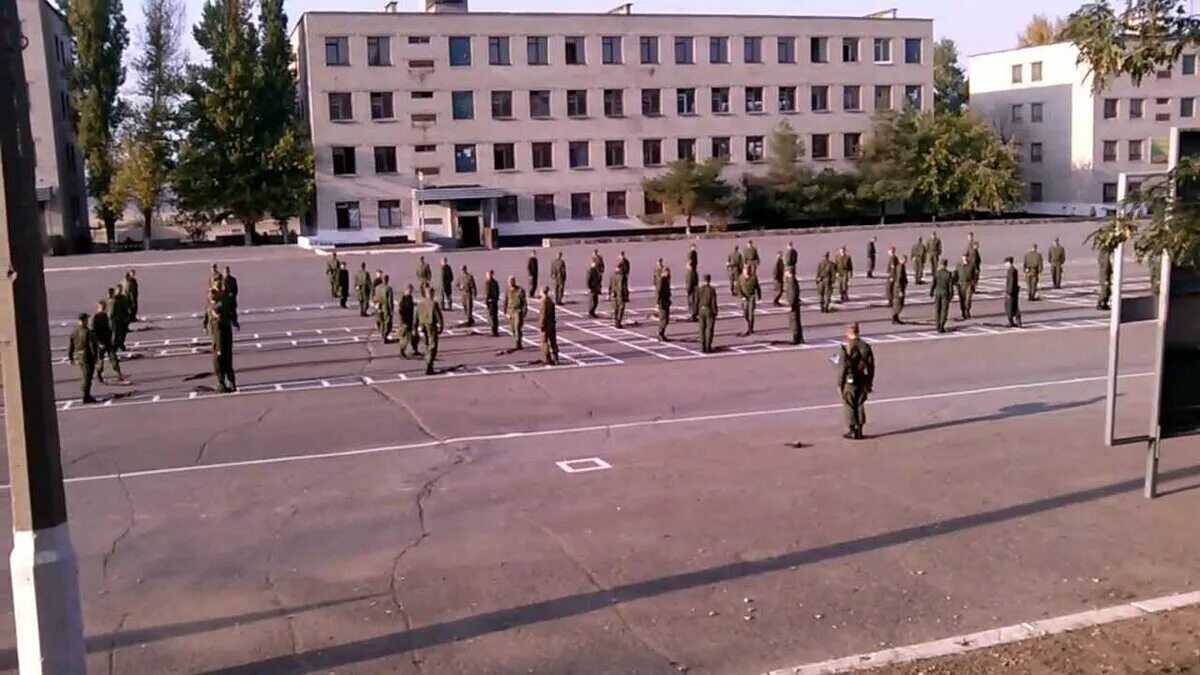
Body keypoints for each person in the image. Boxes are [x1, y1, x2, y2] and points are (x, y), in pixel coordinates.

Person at [837, 322, 875, 440]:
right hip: (862, 379)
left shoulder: (847, 347)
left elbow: (842, 368)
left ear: (848, 332)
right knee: (859, 404)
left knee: (849, 404)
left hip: (850, 380)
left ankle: (852, 430)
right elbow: (871, 366)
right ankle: (859, 430)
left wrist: (839, 384)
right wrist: (869, 382)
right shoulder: (865, 346)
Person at [67, 313, 99, 403]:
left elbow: (71, 346)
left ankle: (86, 394)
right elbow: (92, 345)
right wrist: (95, 356)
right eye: (86, 319)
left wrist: (70, 357)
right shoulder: (87, 332)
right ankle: (86, 395)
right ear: (84, 320)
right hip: (87, 355)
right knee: (87, 376)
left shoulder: (74, 332)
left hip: (79, 355)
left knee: (85, 374)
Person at [91, 301, 124, 383]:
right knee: (100, 360)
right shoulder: (95, 317)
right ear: (98, 307)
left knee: (113, 357)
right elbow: (94, 331)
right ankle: (99, 375)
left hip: (107, 340)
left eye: (104, 307)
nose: (103, 309)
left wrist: (110, 338)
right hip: (100, 342)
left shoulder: (105, 316)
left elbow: (109, 328)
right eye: (102, 307)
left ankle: (118, 373)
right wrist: (99, 342)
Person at [416, 287, 443, 375]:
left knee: (427, 345)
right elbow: (438, 316)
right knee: (432, 346)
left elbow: (416, 316)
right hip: (431, 326)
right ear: (431, 294)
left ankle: (428, 362)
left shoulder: (420, 304)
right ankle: (429, 365)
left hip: (422, 326)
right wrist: (441, 326)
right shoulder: (433, 304)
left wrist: (415, 327)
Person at [210, 304, 236, 393]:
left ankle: (222, 385)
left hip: (220, 348)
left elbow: (218, 337)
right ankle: (232, 383)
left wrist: (218, 350)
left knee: (218, 366)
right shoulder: (226, 322)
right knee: (228, 366)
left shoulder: (217, 323)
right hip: (228, 347)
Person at [696, 274, 719, 353]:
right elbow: (713, 302)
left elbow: (696, 300)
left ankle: (702, 346)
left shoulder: (699, 289)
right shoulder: (711, 289)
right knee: (709, 329)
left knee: (702, 328)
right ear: (709, 280)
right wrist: (715, 311)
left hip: (701, 310)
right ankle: (708, 346)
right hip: (709, 310)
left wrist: (695, 311)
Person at [504, 276, 527, 350]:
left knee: (517, 327)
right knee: (512, 328)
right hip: (511, 311)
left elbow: (524, 302)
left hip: (518, 311)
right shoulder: (508, 290)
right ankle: (516, 341)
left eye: (512, 281)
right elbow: (506, 301)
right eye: (509, 281)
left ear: (514, 281)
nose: (510, 282)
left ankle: (518, 342)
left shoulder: (520, 290)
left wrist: (524, 311)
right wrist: (505, 312)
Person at [931, 258, 953, 332]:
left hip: (937, 293)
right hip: (945, 293)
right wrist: (951, 295)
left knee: (937, 310)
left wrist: (931, 292)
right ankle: (941, 326)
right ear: (946, 265)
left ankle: (937, 325)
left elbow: (933, 283)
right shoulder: (948, 274)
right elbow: (950, 286)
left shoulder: (937, 273)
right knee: (944, 310)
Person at [397, 284, 420, 358]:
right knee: (405, 338)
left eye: (411, 291)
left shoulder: (410, 297)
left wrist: (414, 304)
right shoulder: (403, 299)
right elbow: (400, 311)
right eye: (410, 290)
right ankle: (402, 351)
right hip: (405, 321)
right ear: (406, 290)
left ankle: (415, 349)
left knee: (415, 336)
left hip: (410, 320)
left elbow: (410, 305)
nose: (411, 292)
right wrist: (403, 322)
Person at [105, 286, 131, 351]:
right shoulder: (113, 300)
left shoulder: (123, 298)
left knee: (123, 333)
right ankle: (114, 348)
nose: (120, 291)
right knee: (115, 334)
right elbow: (111, 313)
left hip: (123, 318)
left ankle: (120, 344)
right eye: (118, 290)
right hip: (116, 320)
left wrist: (128, 315)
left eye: (121, 290)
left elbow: (126, 307)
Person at [738, 265, 761, 336]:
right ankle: (748, 325)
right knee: (745, 313)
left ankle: (750, 328)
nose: (747, 272)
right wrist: (742, 296)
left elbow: (757, 287)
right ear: (743, 271)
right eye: (745, 271)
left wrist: (759, 295)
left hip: (751, 296)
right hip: (745, 297)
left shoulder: (753, 278)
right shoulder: (741, 278)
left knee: (751, 313)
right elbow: (738, 289)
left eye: (748, 271)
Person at [539, 286, 559, 365]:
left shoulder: (544, 301)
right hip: (552, 324)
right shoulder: (550, 300)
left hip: (546, 325)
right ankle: (556, 358)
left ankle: (548, 359)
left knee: (544, 342)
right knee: (553, 342)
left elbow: (543, 314)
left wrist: (541, 325)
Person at [784, 267, 803, 345]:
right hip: (795, 303)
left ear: (789, 272)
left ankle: (796, 338)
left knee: (794, 321)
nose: (785, 273)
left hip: (793, 304)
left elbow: (792, 293)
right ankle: (800, 337)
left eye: (786, 272)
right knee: (796, 321)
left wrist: (791, 304)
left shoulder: (791, 281)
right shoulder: (792, 280)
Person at [374, 274, 395, 342]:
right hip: (386, 307)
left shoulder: (377, 288)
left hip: (379, 306)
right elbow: (390, 300)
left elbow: (375, 298)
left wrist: (376, 305)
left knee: (381, 320)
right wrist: (391, 309)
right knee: (387, 322)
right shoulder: (388, 288)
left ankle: (382, 333)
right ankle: (384, 335)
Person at [954, 254, 975, 320]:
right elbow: (955, 274)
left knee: (968, 299)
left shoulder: (971, 265)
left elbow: (974, 275)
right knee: (962, 299)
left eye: (966, 257)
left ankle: (967, 311)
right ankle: (963, 312)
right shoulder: (959, 266)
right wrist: (955, 282)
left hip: (968, 284)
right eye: (963, 257)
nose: (965, 258)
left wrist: (973, 283)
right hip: (960, 284)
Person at [1004, 257, 1022, 327]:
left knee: (1009, 306)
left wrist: (1009, 292)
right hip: (1014, 291)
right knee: (1015, 306)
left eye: (1005, 263)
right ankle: (1018, 322)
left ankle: (1011, 322)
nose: (1005, 265)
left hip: (1012, 291)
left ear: (1009, 263)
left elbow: (1011, 281)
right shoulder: (1013, 269)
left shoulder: (1011, 270)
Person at [656, 266, 672, 341]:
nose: (669, 274)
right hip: (662, 302)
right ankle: (660, 333)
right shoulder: (662, 280)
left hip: (666, 302)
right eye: (668, 272)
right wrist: (658, 302)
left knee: (666, 319)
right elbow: (659, 292)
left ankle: (662, 333)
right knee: (664, 319)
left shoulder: (666, 279)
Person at [892, 255, 909, 325]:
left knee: (900, 303)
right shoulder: (900, 268)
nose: (906, 261)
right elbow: (899, 280)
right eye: (905, 260)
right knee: (899, 303)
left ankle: (896, 317)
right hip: (899, 288)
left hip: (900, 287)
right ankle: (895, 317)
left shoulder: (901, 266)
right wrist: (900, 291)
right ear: (901, 260)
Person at [484, 270, 501, 337]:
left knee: (491, 316)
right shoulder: (495, 282)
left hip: (491, 302)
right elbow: (498, 291)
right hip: (495, 301)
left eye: (488, 275)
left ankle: (493, 331)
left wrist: (486, 302)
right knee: (495, 316)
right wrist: (496, 299)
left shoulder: (488, 283)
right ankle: (495, 330)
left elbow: (487, 293)